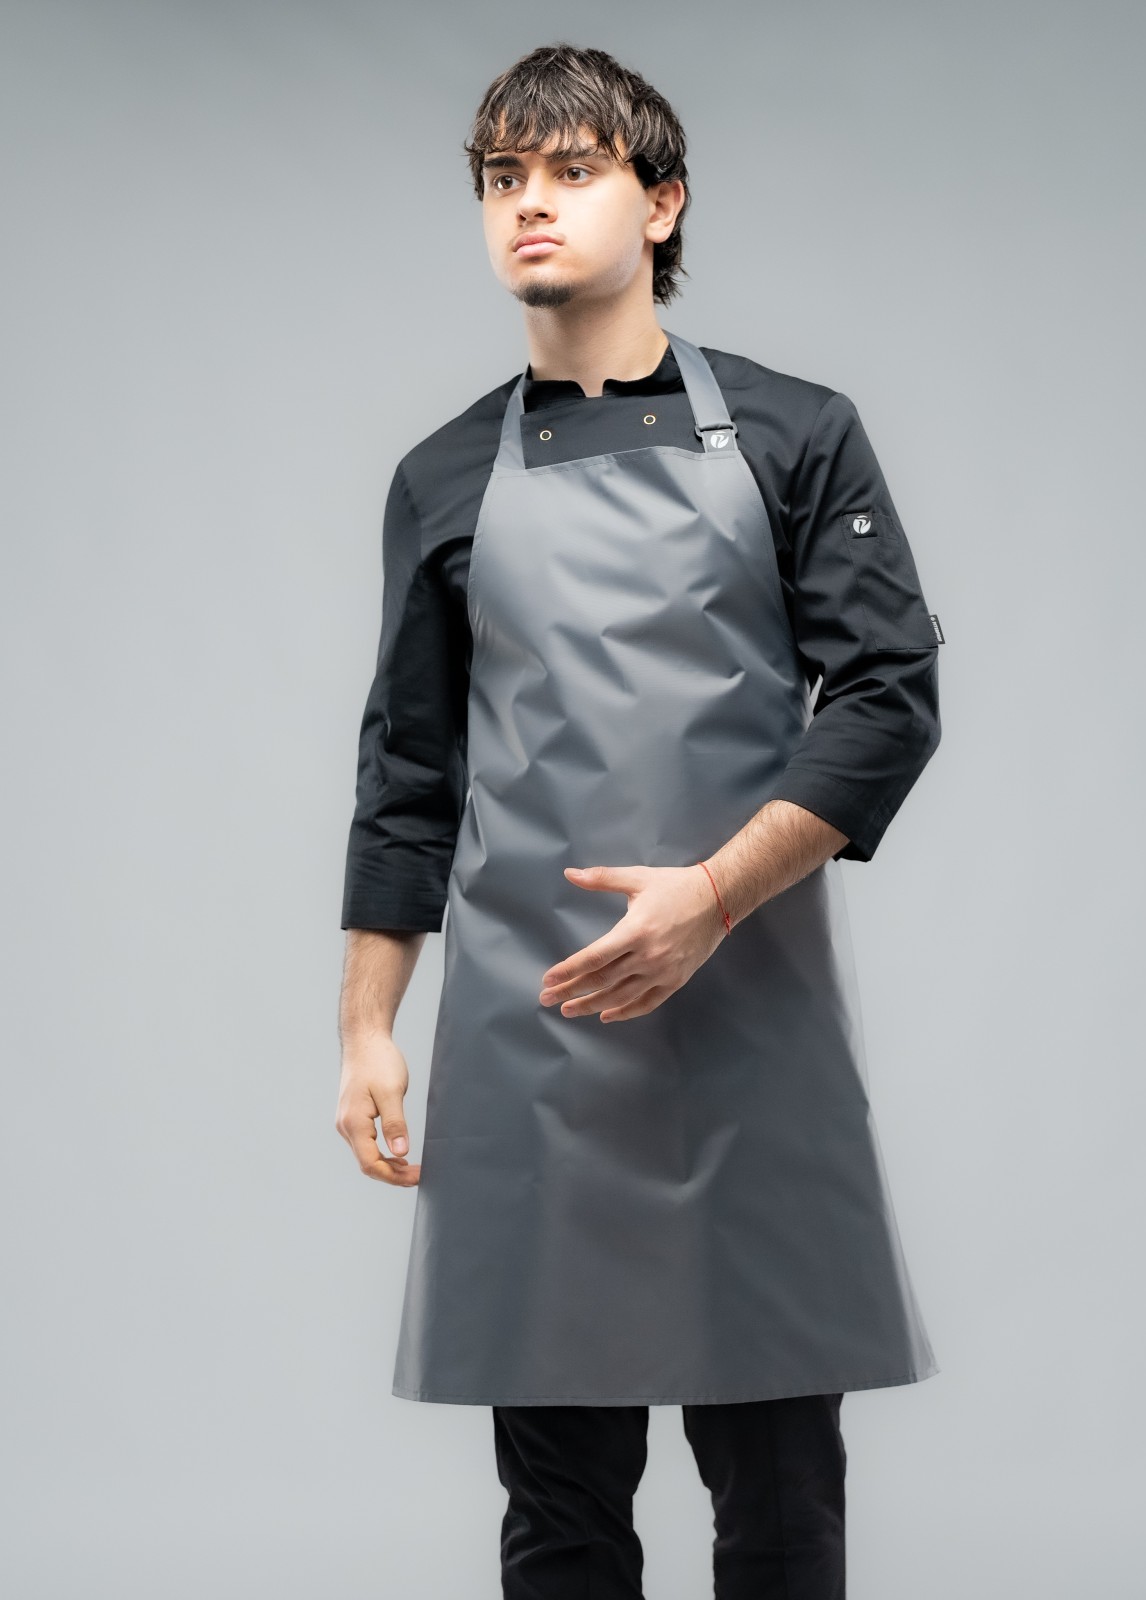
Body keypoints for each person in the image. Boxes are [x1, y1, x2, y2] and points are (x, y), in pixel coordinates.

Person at [336, 42, 944, 1600]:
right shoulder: (442, 478)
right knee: (559, 1518)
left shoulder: (799, 436)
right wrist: (368, 1030)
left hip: (751, 1022)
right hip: (533, 1042)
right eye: (503, 179)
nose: (528, 204)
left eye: (572, 170)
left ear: (661, 202)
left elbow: (887, 700)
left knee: (784, 1504)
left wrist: (713, 896)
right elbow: (409, 768)